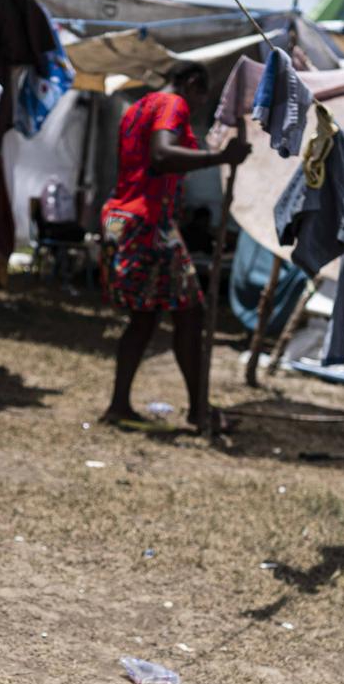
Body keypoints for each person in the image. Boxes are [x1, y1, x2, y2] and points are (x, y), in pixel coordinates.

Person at [99, 61, 250, 431]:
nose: (198, 106)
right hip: (150, 224)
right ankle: (199, 411)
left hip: (127, 219)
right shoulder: (172, 105)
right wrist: (220, 157)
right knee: (189, 313)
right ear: (192, 84)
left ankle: (121, 405)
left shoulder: (138, 108)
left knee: (146, 317)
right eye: (202, 96)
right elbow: (162, 155)